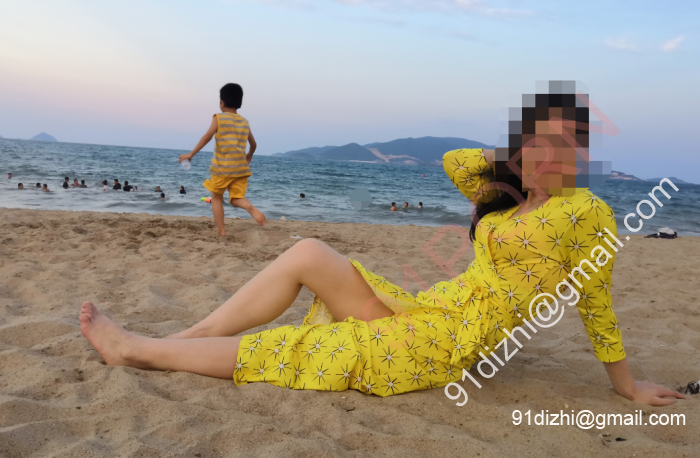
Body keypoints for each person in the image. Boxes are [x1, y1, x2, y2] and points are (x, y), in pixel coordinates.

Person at [79, 84, 685, 406]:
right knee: (308, 251)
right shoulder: (508, 196)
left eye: (559, 143)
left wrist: (626, 386)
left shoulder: (585, 211)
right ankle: (186, 338)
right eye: (534, 139)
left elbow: (596, 303)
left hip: (454, 343)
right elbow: (455, 162)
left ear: (578, 151)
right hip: (432, 308)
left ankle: (140, 352)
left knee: (305, 349)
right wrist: (509, 158)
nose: (544, 152)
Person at [178, 83, 267, 235]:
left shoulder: (219, 118)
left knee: (217, 198)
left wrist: (191, 154)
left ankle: (221, 230)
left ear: (222, 102)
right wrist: (249, 155)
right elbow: (254, 144)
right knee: (236, 198)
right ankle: (250, 207)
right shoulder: (244, 122)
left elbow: (207, 137)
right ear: (239, 102)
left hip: (222, 169)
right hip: (240, 169)